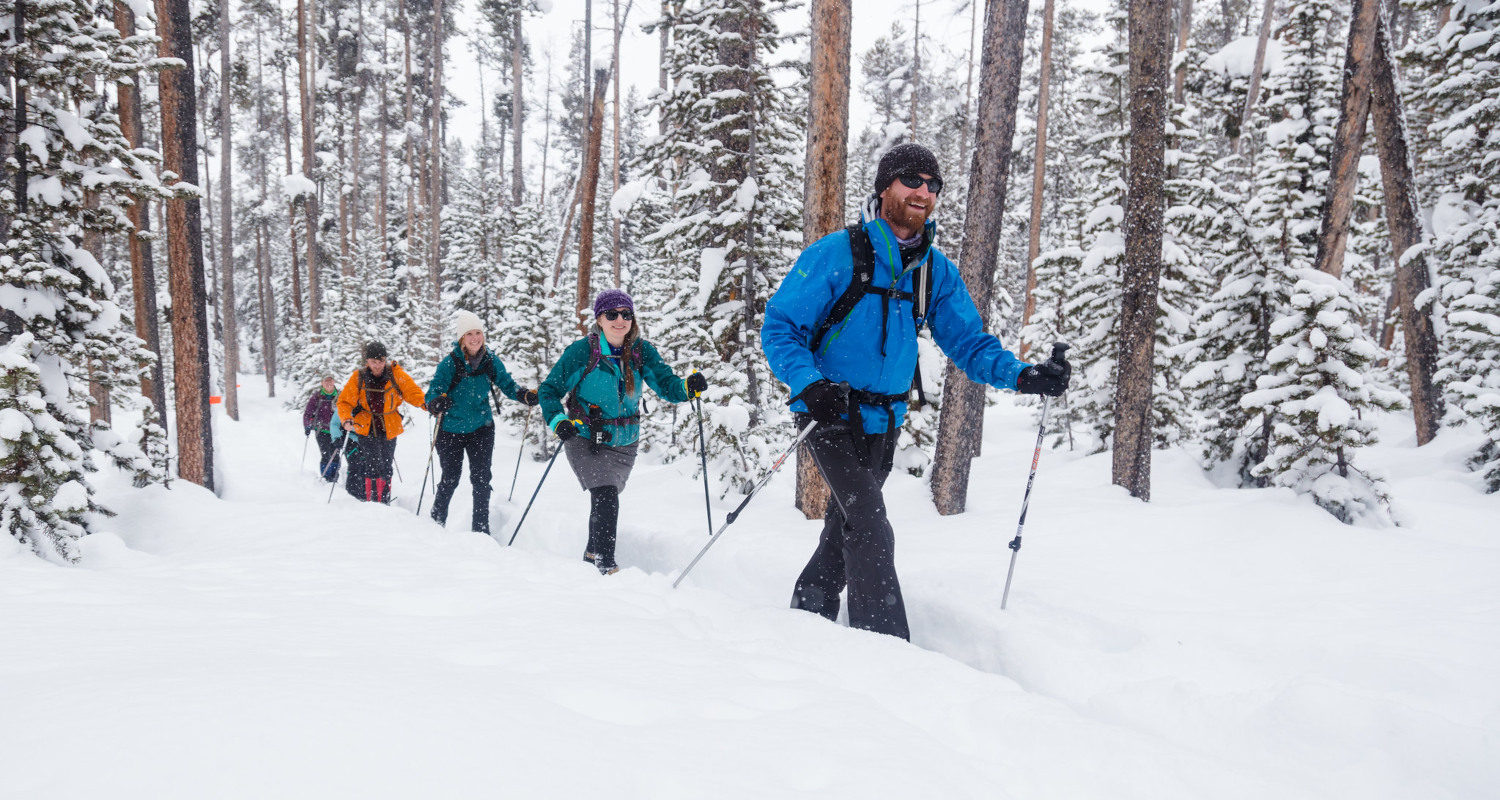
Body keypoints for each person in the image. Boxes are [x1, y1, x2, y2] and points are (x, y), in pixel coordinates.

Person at [760, 143, 1072, 640]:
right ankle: (885, 647)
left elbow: (969, 342)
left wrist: (1023, 375)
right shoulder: (836, 254)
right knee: (870, 524)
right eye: (911, 179)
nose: (923, 192)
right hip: (828, 412)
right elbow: (779, 327)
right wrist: (809, 383)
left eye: (933, 184)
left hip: (886, 420)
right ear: (885, 187)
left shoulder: (934, 271)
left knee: (847, 523)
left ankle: (807, 615)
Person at [539, 289, 708, 575]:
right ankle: (607, 567)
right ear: (599, 319)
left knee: (604, 498)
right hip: (585, 437)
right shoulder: (582, 352)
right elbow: (549, 390)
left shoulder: (641, 351)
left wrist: (687, 388)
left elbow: (666, 384)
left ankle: (591, 556)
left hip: (625, 441)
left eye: (626, 314)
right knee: (606, 495)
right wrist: (558, 421)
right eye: (612, 314)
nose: (620, 320)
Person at [425, 310, 540, 535]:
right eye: (469, 334)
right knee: (450, 478)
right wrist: (436, 402)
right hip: (450, 430)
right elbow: (433, 392)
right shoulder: (450, 364)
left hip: (481, 428)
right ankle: (436, 523)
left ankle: (481, 529)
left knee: (481, 479)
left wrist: (524, 395)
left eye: (478, 333)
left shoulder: (490, 360)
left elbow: (507, 384)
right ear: (461, 338)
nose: (475, 338)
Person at [336, 341, 428, 503]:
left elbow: (412, 392)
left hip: (389, 426)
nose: (377, 365)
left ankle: (384, 501)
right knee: (373, 464)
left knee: (386, 465)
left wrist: (426, 404)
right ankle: (373, 503)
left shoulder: (395, 374)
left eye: (381, 361)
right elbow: (344, 401)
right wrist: (346, 419)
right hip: (366, 426)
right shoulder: (359, 376)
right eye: (374, 362)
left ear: (385, 360)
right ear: (367, 361)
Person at [302, 375, 341, 482]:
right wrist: (307, 426)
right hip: (322, 430)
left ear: (334, 382)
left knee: (336, 454)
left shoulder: (340, 395)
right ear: (322, 383)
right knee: (325, 454)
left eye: (330, 381)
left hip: (337, 431)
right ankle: (326, 477)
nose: (328, 383)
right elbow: (308, 413)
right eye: (326, 381)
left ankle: (334, 477)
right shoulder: (317, 397)